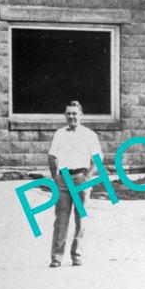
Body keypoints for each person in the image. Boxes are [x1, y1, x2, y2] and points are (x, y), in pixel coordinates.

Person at [47, 100, 102, 267]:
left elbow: (98, 160)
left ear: (81, 115)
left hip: (81, 178)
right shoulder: (59, 134)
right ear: (65, 116)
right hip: (63, 179)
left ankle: (76, 255)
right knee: (61, 220)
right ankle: (56, 257)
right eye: (69, 113)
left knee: (81, 219)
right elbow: (52, 156)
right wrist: (55, 177)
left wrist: (88, 177)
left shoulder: (89, 135)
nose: (72, 116)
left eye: (75, 113)